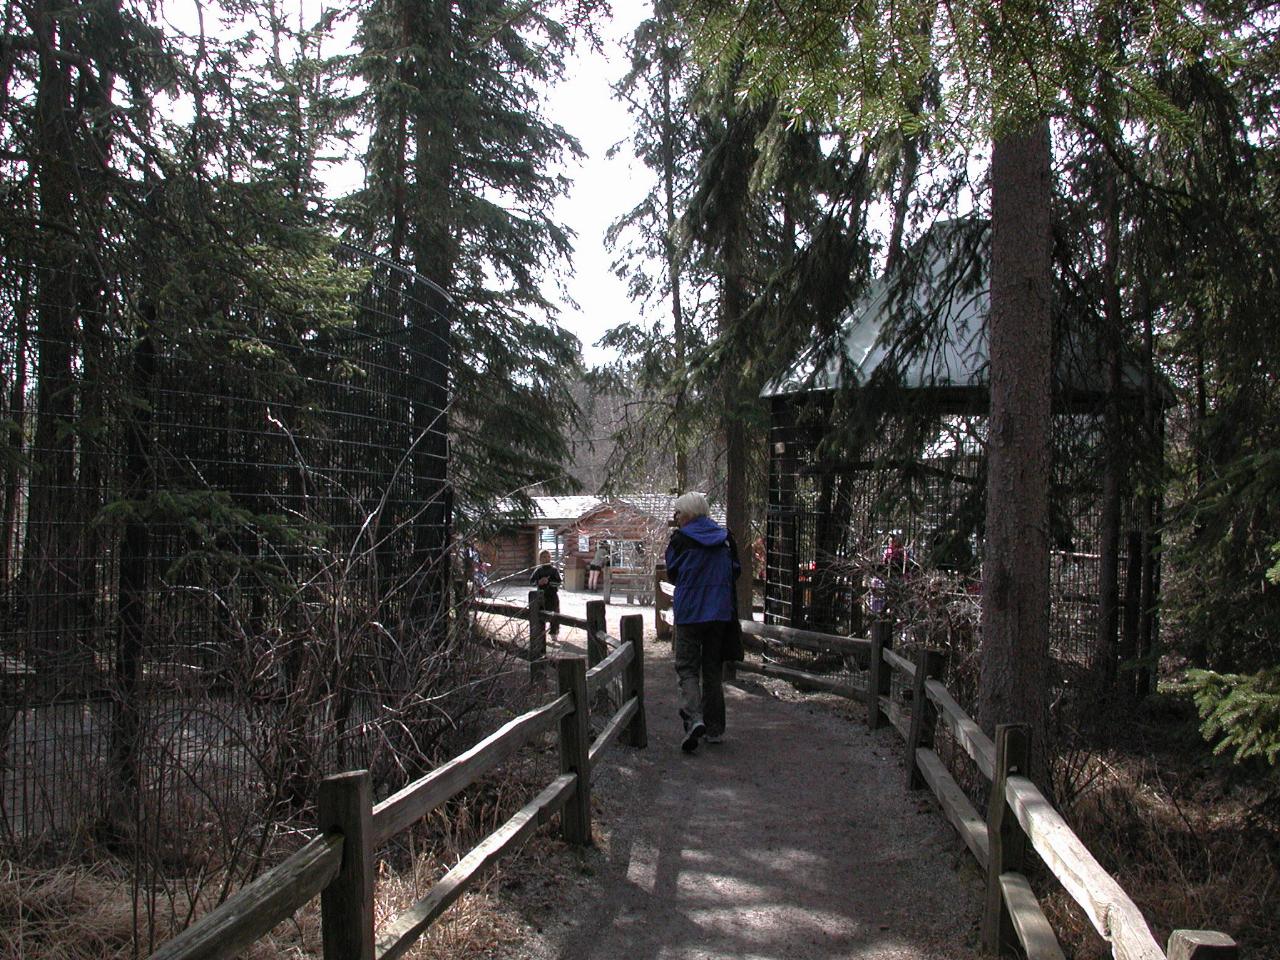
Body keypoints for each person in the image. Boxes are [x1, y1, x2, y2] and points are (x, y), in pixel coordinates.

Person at [665, 492, 740, 753]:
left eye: (678, 514)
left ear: (687, 515)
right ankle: (716, 729)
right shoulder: (725, 539)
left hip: (689, 613)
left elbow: (672, 572)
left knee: (686, 668)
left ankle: (694, 719)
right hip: (719, 613)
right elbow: (736, 571)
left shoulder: (680, 541)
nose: (676, 519)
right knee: (712, 671)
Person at [529, 550, 561, 638]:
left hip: (552, 596)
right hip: (541, 596)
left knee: (554, 614)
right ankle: (540, 634)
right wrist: (539, 582)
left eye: (548, 557)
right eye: (544, 557)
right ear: (540, 559)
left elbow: (558, 583)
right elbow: (532, 582)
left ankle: (554, 632)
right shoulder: (538, 570)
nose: (546, 559)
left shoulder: (554, 570)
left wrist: (549, 582)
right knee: (540, 615)